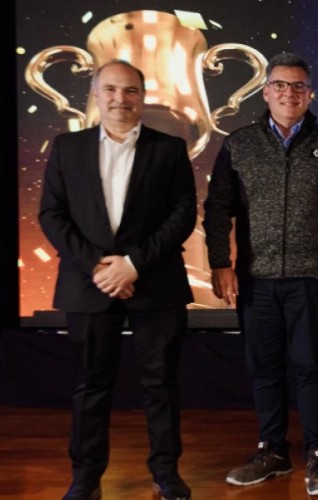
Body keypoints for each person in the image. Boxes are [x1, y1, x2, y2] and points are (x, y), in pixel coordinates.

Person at [203, 53, 318, 496]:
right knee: (264, 369)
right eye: (280, 85)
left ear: (310, 93)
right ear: (266, 91)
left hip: (311, 278)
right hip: (254, 280)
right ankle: (272, 450)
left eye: (298, 87)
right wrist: (220, 263)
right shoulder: (240, 143)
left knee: (312, 367)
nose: (289, 93)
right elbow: (217, 208)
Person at [39, 60, 196, 500]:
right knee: (92, 385)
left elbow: (183, 214)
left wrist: (133, 264)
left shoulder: (169, 149)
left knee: (161, 384)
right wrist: (99, 267)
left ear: (142, 96)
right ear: (95, 93)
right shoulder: (67, 148)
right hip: (88, 285)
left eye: (130, 91)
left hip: (156, 282)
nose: (119, 99)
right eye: (110, 89)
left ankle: (166, 473)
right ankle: (85, 478)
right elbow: (51, 215)